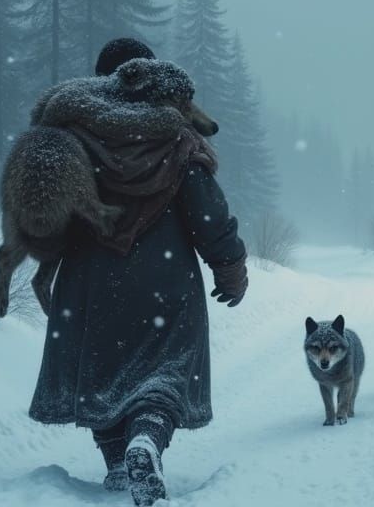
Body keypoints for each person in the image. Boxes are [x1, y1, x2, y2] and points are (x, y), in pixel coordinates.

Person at [27, 38, 248, 506]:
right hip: (164, 282)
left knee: (101, 369)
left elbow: (45, 215)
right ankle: (145, 439)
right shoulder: (176, 136)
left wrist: (48, 265)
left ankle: (117, 462)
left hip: (89, 280)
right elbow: (207, 212)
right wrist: (230, 268)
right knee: (163, 371)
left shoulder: (69, 134)